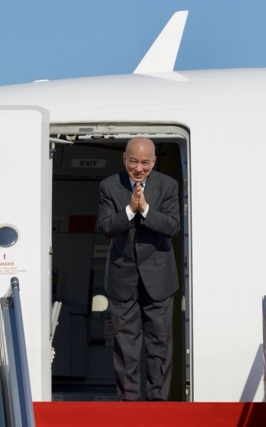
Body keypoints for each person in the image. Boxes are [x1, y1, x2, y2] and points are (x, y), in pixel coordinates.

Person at [97, 137, 180, 402]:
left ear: (154, 161)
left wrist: (145, 209)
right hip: (122, 275)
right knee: (125, 344)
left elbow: (172, 226)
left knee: (160, 343)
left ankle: (158, 403)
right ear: (124, 158)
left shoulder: (168, 185)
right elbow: (105, 228)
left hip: (159, 277)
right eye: (133, 161)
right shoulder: (109, 186)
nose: (139, 168)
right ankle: (128, 404)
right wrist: (130, 210)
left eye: (145, 162)